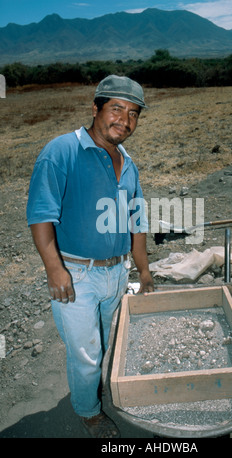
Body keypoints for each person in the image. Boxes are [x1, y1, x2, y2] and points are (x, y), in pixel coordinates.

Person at [26, 75, 154, 438]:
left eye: (133, 114)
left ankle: (99, 389)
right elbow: (40, 214)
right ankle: (88, 412)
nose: (124, 121)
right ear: (95, 107)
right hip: (76, 275)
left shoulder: (127, 163)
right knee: (85, 355)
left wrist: (143, 272)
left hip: (116, 274)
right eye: (116, 109)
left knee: (106, 341)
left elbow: (137, 223)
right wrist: (55, 269)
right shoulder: (61, 151)